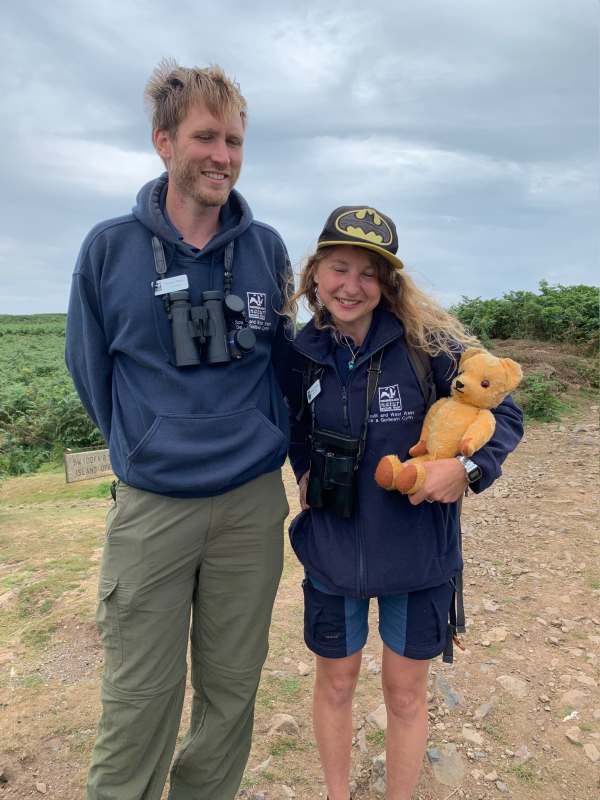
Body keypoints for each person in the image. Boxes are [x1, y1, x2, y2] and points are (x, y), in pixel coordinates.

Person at [65, 60, 292, 800]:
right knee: (139, 698)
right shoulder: (109, 250)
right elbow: (91, 371)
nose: (222, 155)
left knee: (231, 693)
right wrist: (145, 444)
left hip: (250, 506)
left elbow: (283, 364)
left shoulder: (266, 250)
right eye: (205, 136)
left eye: (232, 139)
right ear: (163, 142)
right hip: (153, 508)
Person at [284, 206, 523, 800]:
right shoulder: (298, 352)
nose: (351, 286)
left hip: (418, 554)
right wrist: (304, 472)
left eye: (369, 274)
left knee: (406, 691)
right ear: (315, 273)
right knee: (336, 683)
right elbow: (290, 427)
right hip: (332, 551)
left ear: (388, 282)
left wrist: (466, 469)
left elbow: (507, 411)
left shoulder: (431, 345)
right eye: (339, 268)